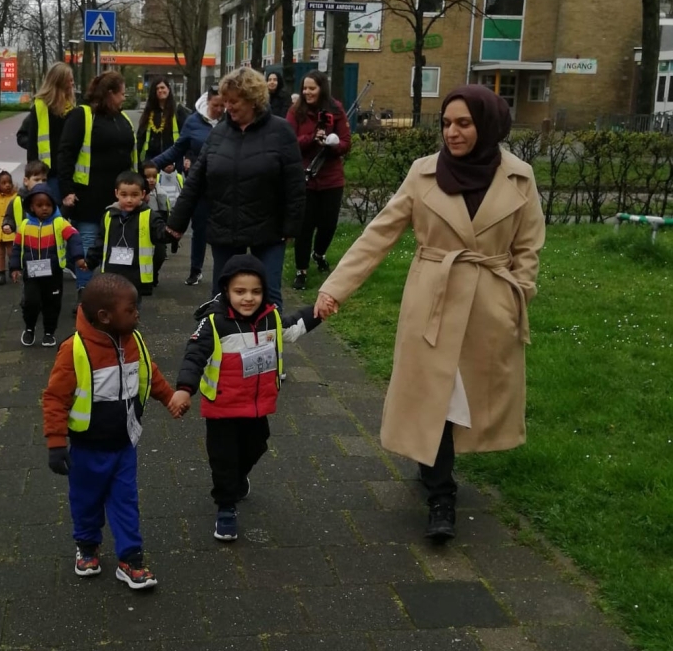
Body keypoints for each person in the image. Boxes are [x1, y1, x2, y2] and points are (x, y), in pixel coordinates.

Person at [313, 85, 546, 543]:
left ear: (488, 125)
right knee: (435, 394)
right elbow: (378, 234)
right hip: (432, 301)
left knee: (462, 398)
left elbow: (528, 248)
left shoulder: (520, 178)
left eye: (464, 123)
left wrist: (517, 295)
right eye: (446, 123)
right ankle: (442, 497)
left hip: (489, 306)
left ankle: (432, 466)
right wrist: (335, 289)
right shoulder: (424, 174)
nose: (452, 132)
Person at [42, 274, 188, 589]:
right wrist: (56, 442)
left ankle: (130, 559)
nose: (138, 314)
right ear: (105, 317)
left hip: (124, 445)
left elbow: (151, 374)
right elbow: (55, 398)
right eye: (131, 309)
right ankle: (87, 546)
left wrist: (169, 398)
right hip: (87, 448)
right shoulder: (75, 350)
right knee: (86, 500)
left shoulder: (134, 341)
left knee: (125, 501)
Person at [171, 255, 321, 541]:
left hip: (256, 407)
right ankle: (226, 507)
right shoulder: (214, 323)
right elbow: (194, 357)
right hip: (222, 408)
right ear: (226, 290)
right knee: (224, 459)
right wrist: (183, 389)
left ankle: (237, 480)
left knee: (257, 446)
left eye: (256, 291)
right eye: (240, 292)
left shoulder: (271, 318)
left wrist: (319, 311)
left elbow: (294, 327)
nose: (248, 298)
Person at [166, 67, 305, 310]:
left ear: (253, 100)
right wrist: (176, 223)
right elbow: (196, 180)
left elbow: (294, 183)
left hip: (268, 228)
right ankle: (223, 346)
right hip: (225, 227)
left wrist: (291, 225)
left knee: (268, 295)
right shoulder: (219, 133)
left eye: (234, 101)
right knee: (222, 296)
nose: (228, 106)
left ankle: (267, 346)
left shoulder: (280, 131)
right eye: (226, 100)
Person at [56, 71, 138, 308]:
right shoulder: (82, 116)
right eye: (122, 93)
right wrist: (67, 190)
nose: (124, 98)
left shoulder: (123, 120)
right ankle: (86, 297)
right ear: (109, 94)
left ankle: (112, 296)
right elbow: (66, 154)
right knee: (90, 247)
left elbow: (131, 157)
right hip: (89, 198)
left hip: (118, 200)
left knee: (117, 248)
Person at [152, 86, 225, 286]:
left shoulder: (230, 121)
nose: (220, 109)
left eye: (223, 105)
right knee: (199, 228)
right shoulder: (193, 122)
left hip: (224, 185)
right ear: (208, 102)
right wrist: (153, 165)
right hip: (200, 184)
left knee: (224, 232)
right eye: (216, 105)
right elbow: (178, 148)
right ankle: (196, 269)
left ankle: (225, 273)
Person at [286, 70, 352, 290]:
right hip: (305, 177)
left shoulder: (336, 110)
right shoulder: (296, 112)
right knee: (305, 226)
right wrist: (310, 139)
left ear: (321, 89)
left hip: (331, 177)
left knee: (328, 223)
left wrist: (332, 145)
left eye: (312, 88)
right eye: (305, 88)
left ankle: (319, 253)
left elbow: (346, 143)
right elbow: (288, 143)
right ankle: (301, 270)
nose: (307, 92)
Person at [9, 184, 86, 347]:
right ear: (31, 207)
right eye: (39, 205)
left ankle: (49, 332)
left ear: (53, 206)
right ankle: (29, 328)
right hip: (31, 273)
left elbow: (74, 236)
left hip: (53, 274)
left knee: (52, 303)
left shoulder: (59, 223)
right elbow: (16, 247)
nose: (44, 208)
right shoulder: (24, 225)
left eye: (48, 205)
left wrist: (79, 257)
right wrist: (15, 267)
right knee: (31, 301)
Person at [86, 171, 170, 302]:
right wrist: (90, 261)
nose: (129, 199)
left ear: (142, 194)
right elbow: (101, 241)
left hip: (136, 276)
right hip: (112, 274)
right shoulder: (109, 215)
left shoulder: (149, 216)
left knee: (130, 312)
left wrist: (173, 229)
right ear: (116, 194)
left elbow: (162, 236)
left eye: (134, 195)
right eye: (124, 195)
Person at [16, 63, 76, 204]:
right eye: (70, 80)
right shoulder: (40, 108)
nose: (73, 83)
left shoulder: (73, 108)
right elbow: (28, 141)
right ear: (59, 81)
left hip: (68, 173)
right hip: (47, 174)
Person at [136, 77, 189, 168]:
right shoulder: (149, 112)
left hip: (173, 160)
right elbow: (141, 137)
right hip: (151, 161)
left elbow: (187, 136)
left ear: (168, 89)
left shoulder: (178, 111)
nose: (160, 90)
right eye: (157, 89)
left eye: (162, 87)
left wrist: (187, 157)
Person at [141, 161, 175, 286]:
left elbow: (167, 213)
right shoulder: (137, 195)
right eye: (147, 177)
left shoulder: (161, 193)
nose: (151, 180)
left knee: (160, 255)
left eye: (154, 177)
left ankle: (154, 273)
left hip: (157, 230)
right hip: (141, 230)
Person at [2, 161, 48, 239]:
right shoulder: (18, 201)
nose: (41, 183)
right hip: (24, 243)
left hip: (45, 242)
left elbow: (57, 217)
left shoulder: (49, 199)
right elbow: (9, 217)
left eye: (44, 180)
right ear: (26, 181)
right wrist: (8, 225)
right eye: (36, 180)